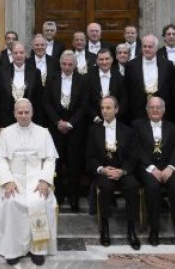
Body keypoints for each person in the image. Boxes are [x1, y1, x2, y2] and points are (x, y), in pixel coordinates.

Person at [0, 98, 58, 266]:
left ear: (32, 113)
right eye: (20, 112)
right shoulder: (6, 133)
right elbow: (0, 159)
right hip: (14, 179)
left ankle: (38, 249)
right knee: (11, 202)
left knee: (38, 201)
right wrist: (7, 181)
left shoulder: (43, 133)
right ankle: (13, 250)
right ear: (14, 114)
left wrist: (45, 180)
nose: (23, 115)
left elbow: (50, 158)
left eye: (26, 112)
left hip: (36, 180)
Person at [133, 96, 175, 248]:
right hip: (148, 167)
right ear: (147, 110)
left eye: (158, 107)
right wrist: (152, 168)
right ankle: (154, 231)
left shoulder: (173, 127)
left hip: (169, 167)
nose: (155, 110)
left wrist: (171, 167)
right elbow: (137, 149)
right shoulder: (137, 125)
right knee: (152, 187)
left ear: (164, 110)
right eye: (152, 107)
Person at [86, 95, 140, 249]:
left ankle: (131, 230)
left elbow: (133, 157)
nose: (104, 111)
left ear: (116, 110)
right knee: (105, 187)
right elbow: (89, 157)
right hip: (104, 172)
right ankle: (105, 229)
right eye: (102, 108)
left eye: (108, 108)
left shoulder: (128, 131)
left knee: (132, 186)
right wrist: (101, 169)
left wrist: (122, 171)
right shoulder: (93, 130)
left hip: (122, 171)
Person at [42, 50, 89, 212]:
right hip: (55, 128)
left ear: (75, 65)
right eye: (64, 64)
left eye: (70, 64)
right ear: (60, 63)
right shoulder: (52, 78)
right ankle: (59, 195)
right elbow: (46, 102)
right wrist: (57, 122)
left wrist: (70, 123)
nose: (67, 67)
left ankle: (74, 197)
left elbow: (84, 105)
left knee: (74, 164)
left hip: (75, 129)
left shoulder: (82, 80)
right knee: (56, 163)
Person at [125, 35, 175, 121]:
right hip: (137, 112)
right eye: (144, 46)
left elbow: (171, 88)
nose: (147, 49)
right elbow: (127, 88)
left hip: (161, 111)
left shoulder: (167, 65)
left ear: (156, 48)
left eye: (150, 47)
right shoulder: (131, 65)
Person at [0, 42, 43, 129]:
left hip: (29, 121)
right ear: (11, 55)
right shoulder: (2, 71)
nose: (18, 55)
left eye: (21, 52)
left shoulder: (35, 72)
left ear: (25, 54)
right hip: (6, 121)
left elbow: (39, 100)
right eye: (15, 53)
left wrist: (38, 125)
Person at [88, 48, 127, 123]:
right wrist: (95, 117)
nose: (104, 62)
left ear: (112, 60)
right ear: (97, 61)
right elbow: (86, 100)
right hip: (94, 121)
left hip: (115, 120)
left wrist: (114, 117)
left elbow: (123, 100)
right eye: (101, 59)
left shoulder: (119, 77)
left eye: (107, 59)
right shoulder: (89, 77)